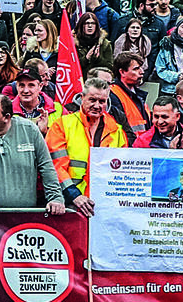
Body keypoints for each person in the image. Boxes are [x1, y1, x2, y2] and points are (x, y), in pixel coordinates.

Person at [0, 94, 65, 217]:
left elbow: (46, 166)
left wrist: (56, 198)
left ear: (7, 117)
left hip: (26, 217)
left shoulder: (29, 130)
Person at [47, 78, 127, 218]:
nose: (97, 105)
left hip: (103, 206)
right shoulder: (62, 125)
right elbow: (55, 166)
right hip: (70, 205)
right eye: (92, 100)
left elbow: (121, 174)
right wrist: (75, 195)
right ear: (82, 98)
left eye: (102, 101)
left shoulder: (117, 131)